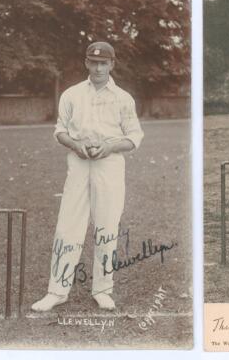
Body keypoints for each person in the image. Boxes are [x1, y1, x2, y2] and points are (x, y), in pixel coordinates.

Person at [31, 41, 144, 311]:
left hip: (110, 165)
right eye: (93, 62)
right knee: (68, 225)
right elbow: (60, 131)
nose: (98, 68)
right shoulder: (71, 95)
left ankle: (103, 289)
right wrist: (75, 145)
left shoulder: (123, 98)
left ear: (112, 64)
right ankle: (57, 291)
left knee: (106, 227)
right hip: (79, 164)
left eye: (103, 63)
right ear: (86, 63)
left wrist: (109, 146)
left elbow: (134, 137)